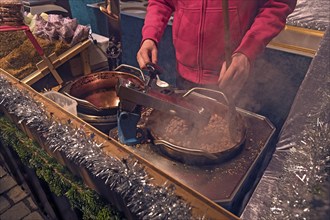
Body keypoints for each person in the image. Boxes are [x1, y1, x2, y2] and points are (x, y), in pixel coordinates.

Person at [137, 0, 297, 97]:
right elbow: (161, 1)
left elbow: (277, 5)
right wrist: (150, 35)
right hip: (184, 74)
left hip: (232, 74)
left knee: (227, 135)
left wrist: (247, 51)